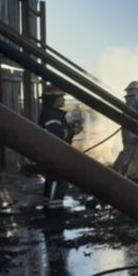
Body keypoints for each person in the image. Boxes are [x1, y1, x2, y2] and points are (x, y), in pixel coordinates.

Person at [37, 84, 77, 212]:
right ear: (53, 99)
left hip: (54, 155)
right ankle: (54, 211)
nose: (64, 99)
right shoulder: (50, 115)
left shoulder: (52, 114)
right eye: (61, 97)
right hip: (54, 156)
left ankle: (50, 207)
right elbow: (57, 135)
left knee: (53, 181)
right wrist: (72, 131)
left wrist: (70, 129)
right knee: (56, 181)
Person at [112, 81, 138, 181]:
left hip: (131, 131)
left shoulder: (130, 99)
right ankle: (116, 172)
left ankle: (133, 175)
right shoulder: (136, 97)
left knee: (135, 154)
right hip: (133, 131)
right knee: (128, 152)